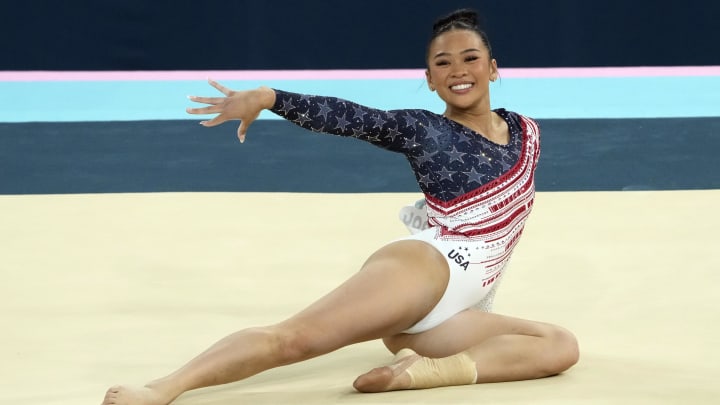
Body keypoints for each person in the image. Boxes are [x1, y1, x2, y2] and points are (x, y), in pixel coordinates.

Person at [101, 9, 578, 405]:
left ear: (493, 67)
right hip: (427, 272)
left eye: (470, 58)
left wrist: (481, 303)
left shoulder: (527, 132)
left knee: (559, 346)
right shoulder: (423, 130)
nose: (459, 70)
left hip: (449, 312)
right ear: (429, 80)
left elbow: (502, 233)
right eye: (443, 63)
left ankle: (419, 371)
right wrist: (271, 98)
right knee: (294, 340)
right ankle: (164, 387)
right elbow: (354, 118)